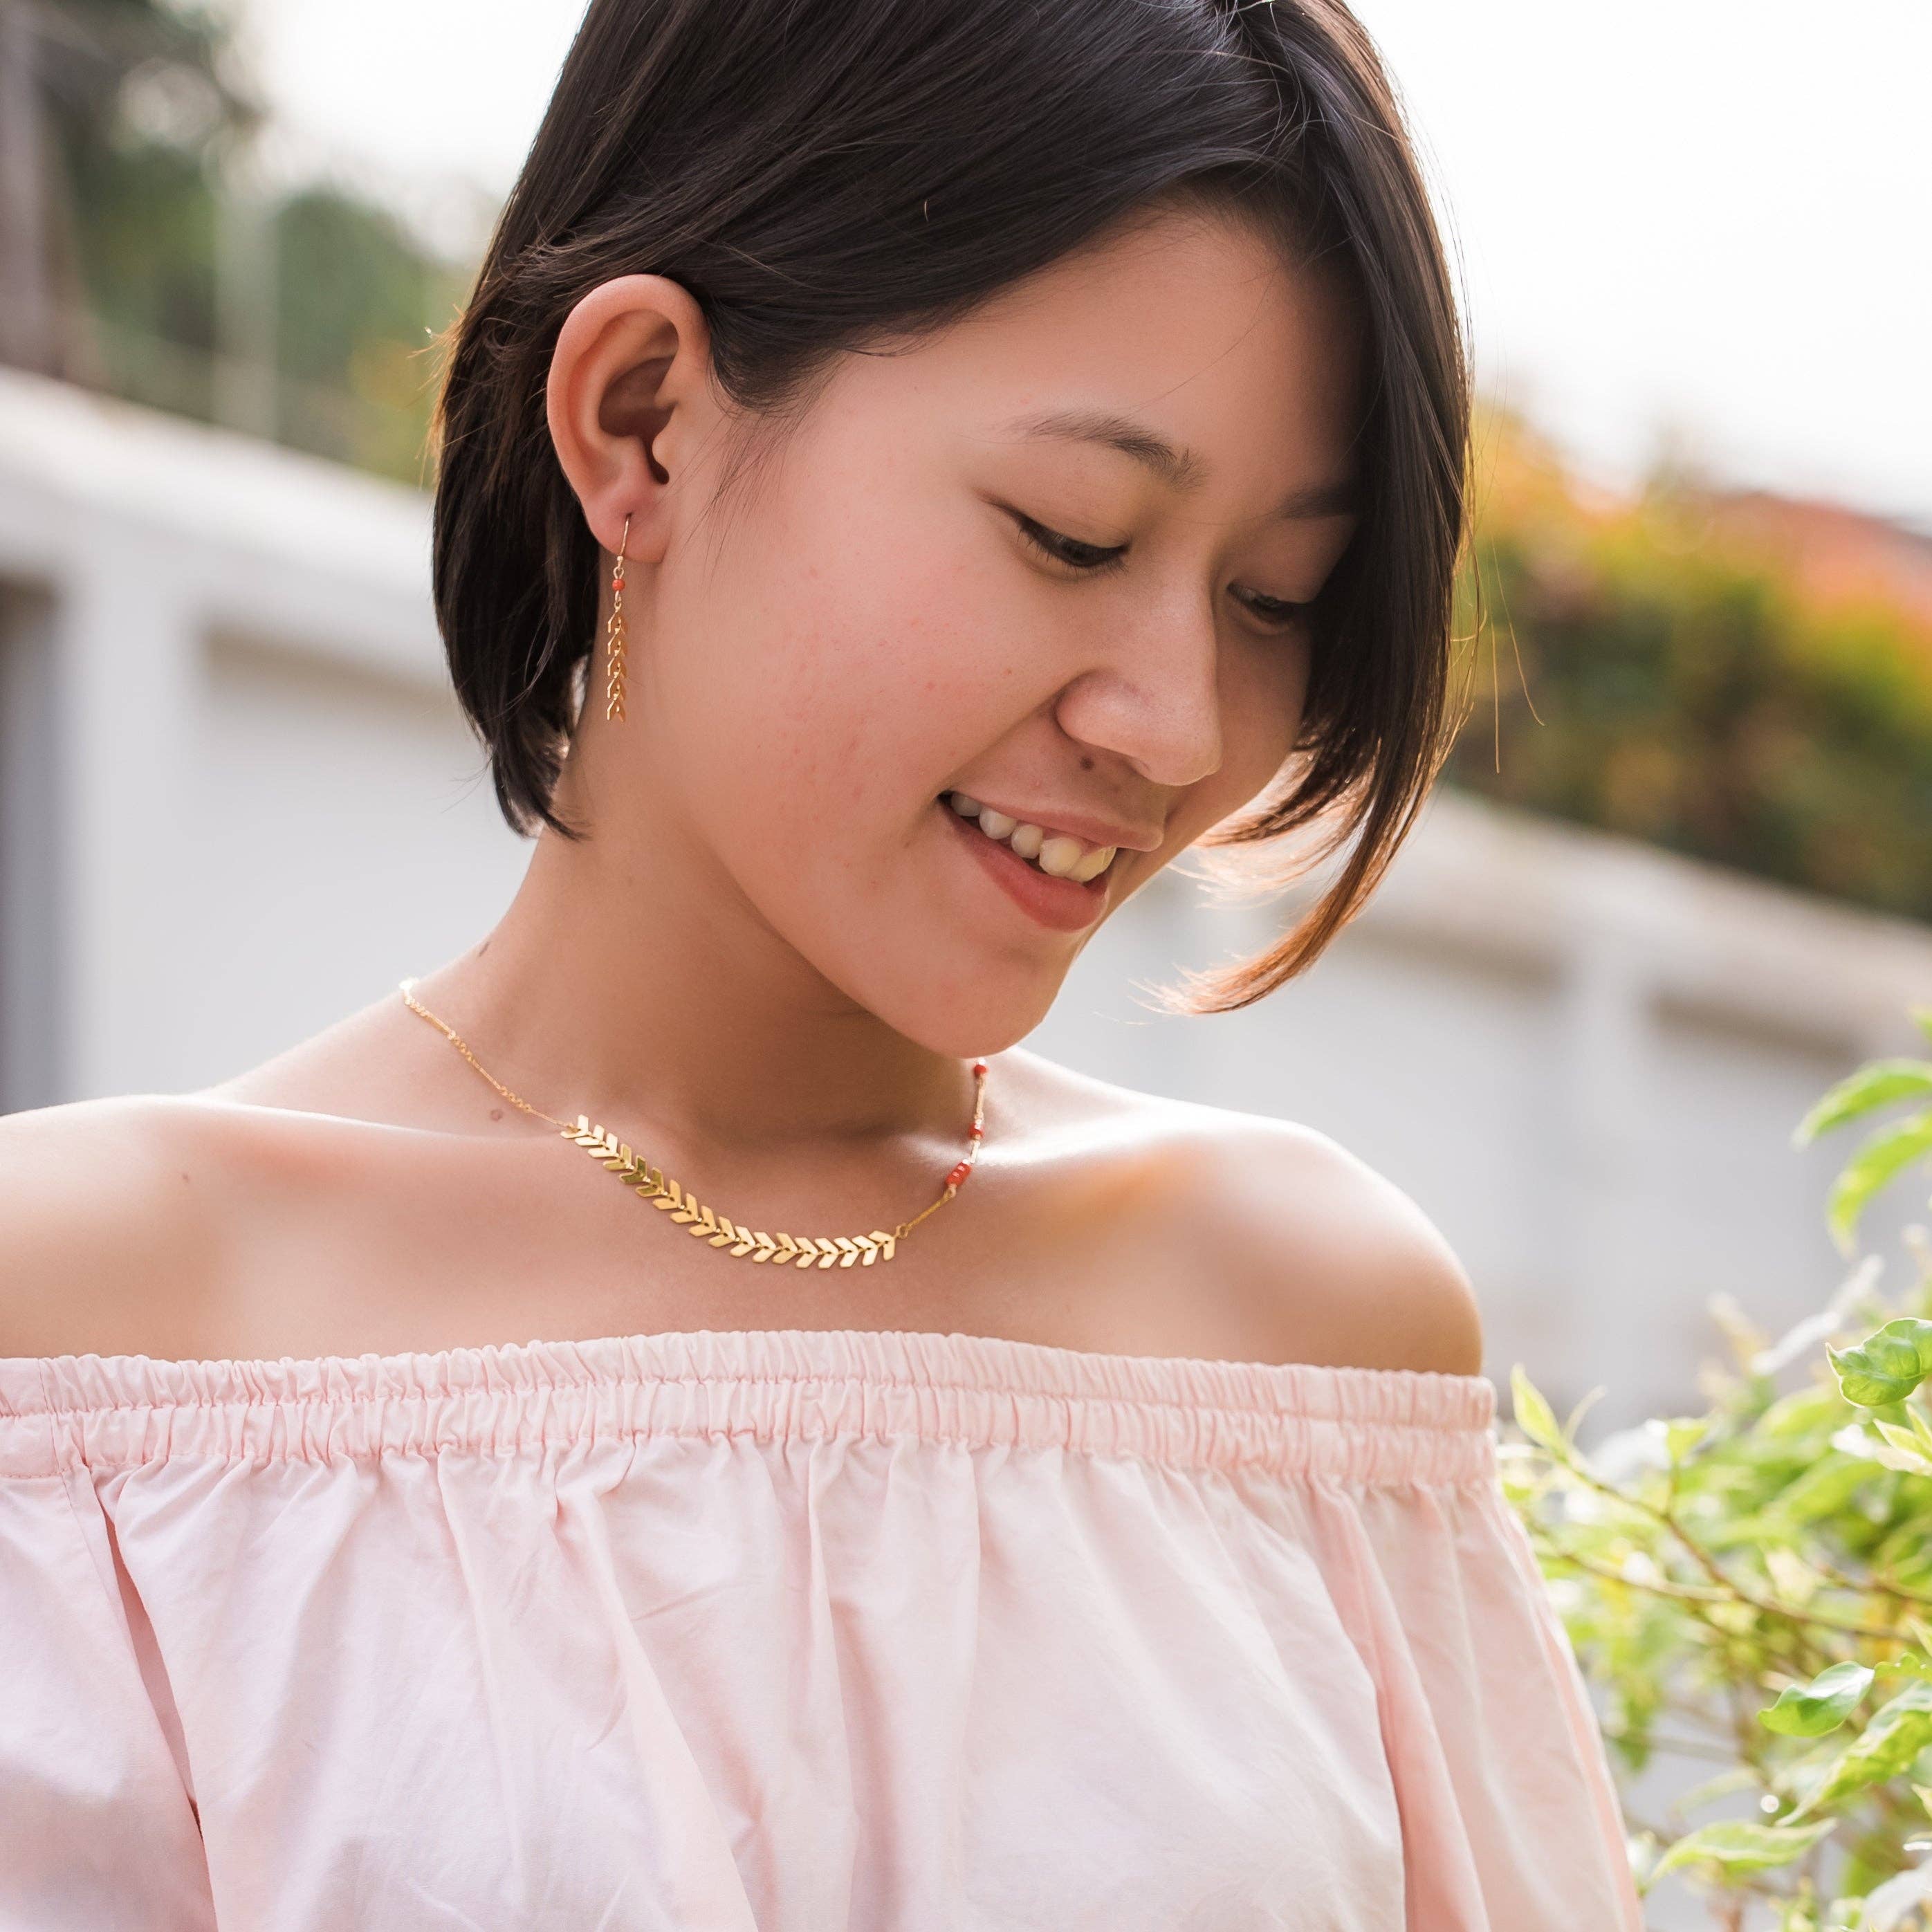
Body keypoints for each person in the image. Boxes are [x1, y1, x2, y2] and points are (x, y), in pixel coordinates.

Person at [0, 0, 1644, 1924]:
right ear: (643, 422)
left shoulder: (1302, 1331)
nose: (1178, 722)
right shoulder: (96, 1364)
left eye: (1274, 596)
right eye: (1066, 530)